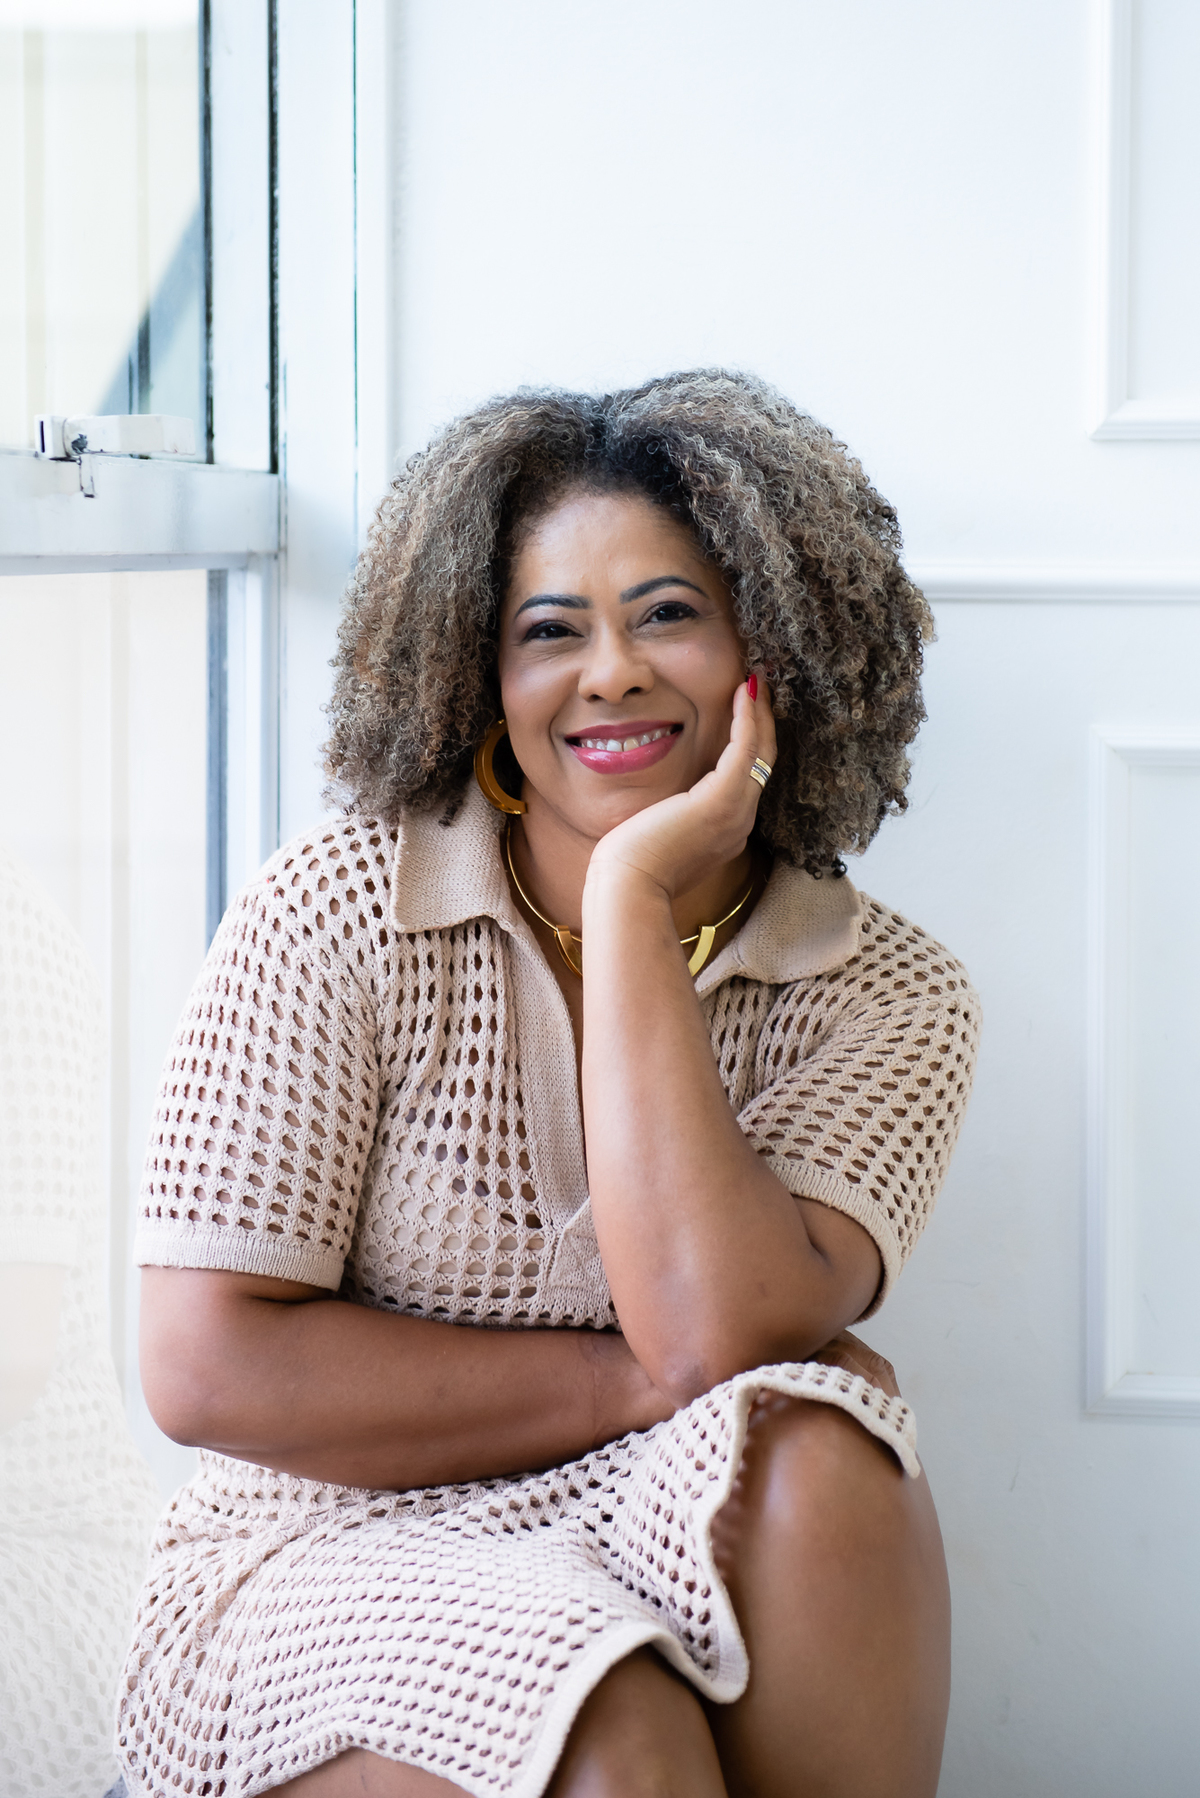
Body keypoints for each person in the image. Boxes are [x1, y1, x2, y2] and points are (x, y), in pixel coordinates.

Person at [118, 370, 980, 1798]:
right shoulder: (336, 910)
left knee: (825, 1456)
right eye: (549, 632)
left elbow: (713, 1333)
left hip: (640, 1504)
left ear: (775, 647)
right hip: (320, 1540)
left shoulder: (884, 991)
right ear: (480, 675)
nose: (612, 672)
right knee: (612, 1729)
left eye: (667, 614)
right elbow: (206, 1365)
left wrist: (634, 896)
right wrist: (628, 1380)